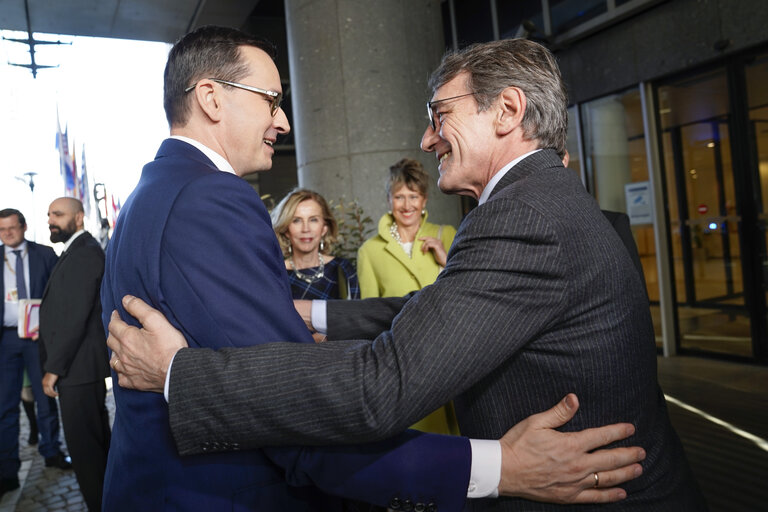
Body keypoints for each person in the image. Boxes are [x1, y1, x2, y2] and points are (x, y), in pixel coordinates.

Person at [99, 25, 646, 512]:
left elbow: (378, 386)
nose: (428, 138)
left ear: (506, 111)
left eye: (440, 115)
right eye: (271, 101)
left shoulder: (154, 192)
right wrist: (308, 314)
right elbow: (422, 321)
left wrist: (178, 373)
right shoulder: (209, 198)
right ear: (211, 98)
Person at [38, 197, 111, 511]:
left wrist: (54, 368)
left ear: (79, 218)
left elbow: (75, 317)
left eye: (58, 214)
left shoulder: (83, 253)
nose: (51, 220)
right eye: (49, 215)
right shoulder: (76, 251)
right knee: (94, 447)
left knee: (86, 452)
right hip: (81, 369)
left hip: (78, 370)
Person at [0, 208, 69, 499]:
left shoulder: (45, 254)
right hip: (5, 340)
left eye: (12, 229)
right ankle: (7, 471)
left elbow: (60, 294)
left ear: (24, 227)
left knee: (45, 397)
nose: (7, 234)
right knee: (5, 406)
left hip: (39, 339)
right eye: (2, 230)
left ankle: (52, 451)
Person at [357, 158, 455, 299]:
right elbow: (368, 312)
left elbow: (469, 287)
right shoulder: (369, 251)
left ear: (424, 200)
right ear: (388, 200)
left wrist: (446, 261)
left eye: (413, 197)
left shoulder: (447, 235)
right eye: (399, 197)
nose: (407, 206)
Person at [272, 188, 359, 300]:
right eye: (296, 220)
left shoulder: (343, 268)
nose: (306, 229)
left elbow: (356, 315)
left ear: (324, 228)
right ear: (286, 229)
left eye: (313, 220)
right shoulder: (275, 274)